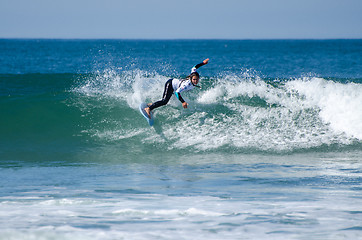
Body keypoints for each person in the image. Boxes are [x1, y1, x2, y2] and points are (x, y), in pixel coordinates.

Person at [144, 58, 209, 118]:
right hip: (171, 85)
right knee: (164, 101)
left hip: (175, 87)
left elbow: (194, 67)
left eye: (197, 79)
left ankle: (151, 105)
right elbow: (177, 92)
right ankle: (148, 108)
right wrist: (183, 102)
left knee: (168, 101)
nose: (195, 81)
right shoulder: (186, 85)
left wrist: (203, 63)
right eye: (194, 79)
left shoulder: (193, 75)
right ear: (191, 78)